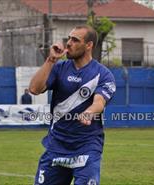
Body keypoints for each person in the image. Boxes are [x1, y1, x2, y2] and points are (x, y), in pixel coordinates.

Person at [29, 25, 116, 185]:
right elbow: (34, 89)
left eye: (75, 40)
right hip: (56, 145)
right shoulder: (59, 68)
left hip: (87, 147)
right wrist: (51, 60)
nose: (68, 43)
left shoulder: (103, 74)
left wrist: (89, 112)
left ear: (89, 45)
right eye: (69, 38)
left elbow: (100, 101)